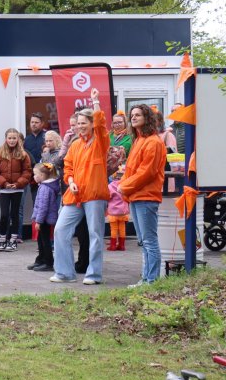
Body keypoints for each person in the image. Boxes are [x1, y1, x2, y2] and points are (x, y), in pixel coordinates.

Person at [51, 89, 109, 285]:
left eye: (84, 123)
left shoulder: (100, 141)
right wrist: (71, 182)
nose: (80, 127)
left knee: (95, 234)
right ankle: (64, 273)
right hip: (74, 195)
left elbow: (101, 123)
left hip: (94, 194)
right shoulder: (75, 145)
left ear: (92, 124)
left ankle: (93, 275)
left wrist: (95, 102)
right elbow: (67, 166)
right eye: (79, 124)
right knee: (60, 230)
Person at [119, 104, 166, 287]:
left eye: (138, 114)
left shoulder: (153, 142)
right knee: (143, 241)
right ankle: (146, 278)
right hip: (136, 195)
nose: (134, 117)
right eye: (132, 115)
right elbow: (133, 170)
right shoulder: (138, 140)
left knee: (149, 240)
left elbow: (147, 172)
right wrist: (125, 184)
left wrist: (124, 186)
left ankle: (151, 280)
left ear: (147, 117)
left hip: (146, 196)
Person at [0, 128, 32, 252]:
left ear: (18, 139)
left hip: (17, 190)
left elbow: (27, 172)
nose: (12, 140)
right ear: (6, 139)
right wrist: (4, 183)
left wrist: (18, 183)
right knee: (4, 215)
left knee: (14, 215)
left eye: (14, 138)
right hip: (4, 190)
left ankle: (13, 240)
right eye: (10, 138)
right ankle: (2, 238)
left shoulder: (23, 154)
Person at [28, 163, 60, 272]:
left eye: (35, 174)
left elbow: (43, 207)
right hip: (43, 219)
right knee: (40, 240)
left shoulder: (45, 188)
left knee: (45, 241)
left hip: (44, 220)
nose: (34, 177)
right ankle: (41, 259)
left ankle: (48, 262)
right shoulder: (44, 186)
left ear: (42, 175)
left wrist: (39, 221)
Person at [106, 174, 130, 251]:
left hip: (113, 213)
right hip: (123, 212)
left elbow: (108, 197)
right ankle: (122, 245)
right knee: (122, 229)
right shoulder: (125, 184)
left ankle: (113, 245)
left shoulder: (110, 186)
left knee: (114, 229)